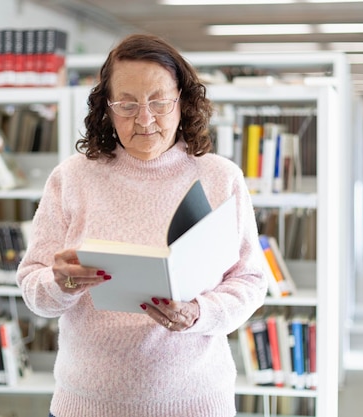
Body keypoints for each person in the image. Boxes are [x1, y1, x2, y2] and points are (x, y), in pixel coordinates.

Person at [16, 34, 268, 416]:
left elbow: (250, 281)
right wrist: (60, 283)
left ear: (183, 101)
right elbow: (33, 287)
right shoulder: (72, 178)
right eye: (127, 105)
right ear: (107, 108)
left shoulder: (221, 178)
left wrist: (200, 313)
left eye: (159, 102)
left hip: (196, 402)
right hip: (87, 404)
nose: (145, 118)